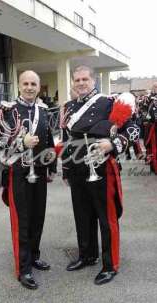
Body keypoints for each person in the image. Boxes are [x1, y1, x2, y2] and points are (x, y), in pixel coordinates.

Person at [60, 66, 139, 285]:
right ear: (73, 83)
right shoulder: (68, 108)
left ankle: (110, 264)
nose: (81, 83)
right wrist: (66, 168)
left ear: (93, 81)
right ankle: (87, 255)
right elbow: (67, 142)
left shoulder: (109, 102)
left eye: (85, 79)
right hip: (77, 169)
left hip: (103, 169)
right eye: (77, 80)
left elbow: (133, 130)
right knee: (82, 215)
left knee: (106, 218)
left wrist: (112, 143)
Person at [0, 70, 57, 290]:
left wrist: (52, 167)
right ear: (19, 85)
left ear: (38, 87)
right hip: (18, 173)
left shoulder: (44, 110)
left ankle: (34, 255)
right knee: (22, 219)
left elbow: (49, 140)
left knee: (38, 216)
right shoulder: (7, 110)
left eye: (33, 84)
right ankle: (23, 268)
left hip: (39, 171)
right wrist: (20, 142)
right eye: (25, 83)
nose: (29, 87)